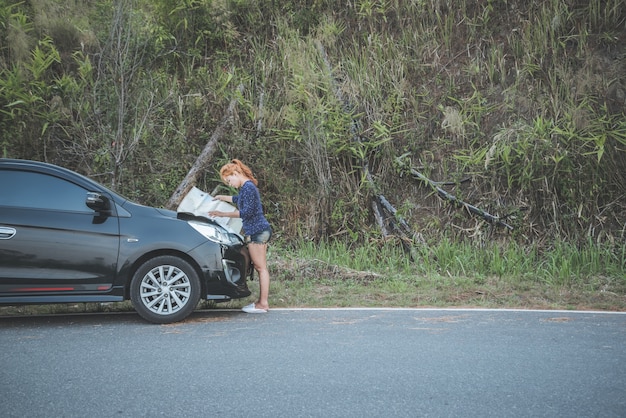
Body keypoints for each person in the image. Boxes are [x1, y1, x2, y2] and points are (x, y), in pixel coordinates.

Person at [208, 159, 272, 314]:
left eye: (229, 180)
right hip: (255, 230)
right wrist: (222, 197)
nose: (230, 184)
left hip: (258, 231)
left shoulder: (248, 187)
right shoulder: (245, 188)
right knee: (258, 267)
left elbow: (246, 212)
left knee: (261, 267)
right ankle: (260, 302)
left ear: (235, 173)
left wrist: (222, 213)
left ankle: (263, 304)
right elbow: (238, 200)